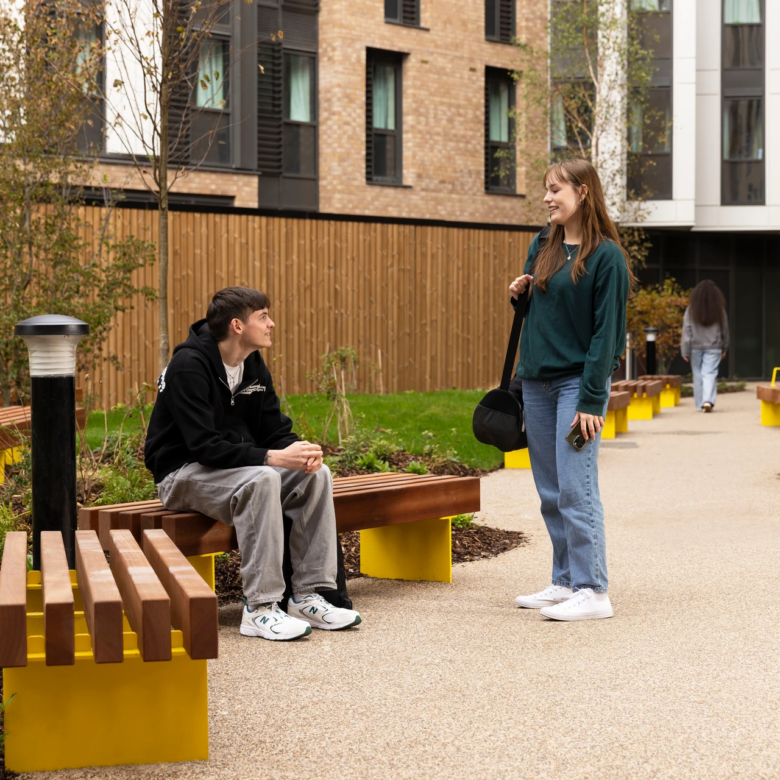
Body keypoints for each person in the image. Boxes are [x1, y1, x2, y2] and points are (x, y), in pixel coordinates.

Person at [144, 286, 361, 641]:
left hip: (235, 470)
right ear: (237, 325)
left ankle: (308, 596)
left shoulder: (252, 366)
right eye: (263, 316)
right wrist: (273, 458)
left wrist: (299, 451)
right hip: (182, 474)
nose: (272, 323)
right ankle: (260, 608)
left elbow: (273, 429)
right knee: (262, 479)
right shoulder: (188, 366)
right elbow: (204, 446)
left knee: (315, 476)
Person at [508, 159, 633, 622]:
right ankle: (564, 581)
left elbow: (607, 335)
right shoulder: (543, 243)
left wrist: (592, 400)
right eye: (546, 190)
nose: (547, 198)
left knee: (576, 487)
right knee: (550, 489)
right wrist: (519, 293)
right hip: (536, 384)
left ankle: (592, 588)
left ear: (582, 191)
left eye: (555, 190)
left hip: (575, 386)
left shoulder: (607, 258)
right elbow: (538, 311)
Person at [681, 280, 728, 413]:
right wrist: (724, 347)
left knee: (697, 375)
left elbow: (687, 330)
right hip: (714, 347)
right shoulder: (719, 310)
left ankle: (700, 403)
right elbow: (725, 330)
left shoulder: (691, 310)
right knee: (709, 373)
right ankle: (708, 401)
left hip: (695, 347)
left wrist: (685, 350)